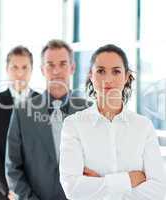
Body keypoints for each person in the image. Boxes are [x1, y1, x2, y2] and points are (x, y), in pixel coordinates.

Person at [59, 44, 166, 200]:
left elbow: (159, 191)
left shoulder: (143, 126)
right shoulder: (73, 125)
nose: (108, 79)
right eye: (101, 71)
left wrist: (100, 184)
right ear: (91, 75)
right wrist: (129, 180)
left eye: (116, 71)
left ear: (126, 77)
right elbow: (72, 189)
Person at [5, 39, 92, 200]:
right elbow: (12, 168)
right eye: (50, 65)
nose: (56, 71)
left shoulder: (90, 111)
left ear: (72, 68)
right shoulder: (22, 112)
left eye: (62, 64)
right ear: (42, 70)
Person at [0, 46, 39, 200]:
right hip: (3, 191)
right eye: (14, 67)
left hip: (37, 190)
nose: (20, 73)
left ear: (32, 70)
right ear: (7, 69)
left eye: (25, 67)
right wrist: (9, 189)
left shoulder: (44, 103)